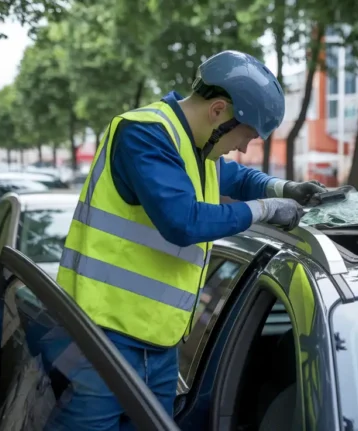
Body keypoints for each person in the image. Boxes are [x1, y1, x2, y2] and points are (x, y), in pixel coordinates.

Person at [49, 50, 327, 429]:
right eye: (245, 135)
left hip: (159, 345)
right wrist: (265, 210)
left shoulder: (197, 149)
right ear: (218, 110)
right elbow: (182, 222)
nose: (244, 147)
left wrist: (288, 188)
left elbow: (240, 179)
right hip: (101, 340)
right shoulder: (143, 133)